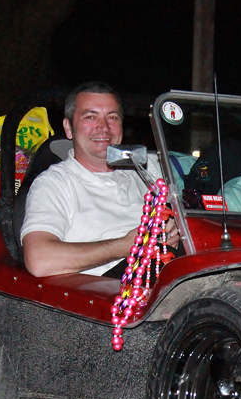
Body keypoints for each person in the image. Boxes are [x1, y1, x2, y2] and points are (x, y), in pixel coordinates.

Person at [21, 82, 179, 278]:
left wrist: (176, 232)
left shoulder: (148, 169)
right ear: (68, 128)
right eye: (90, 117)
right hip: (110, 291)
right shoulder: (55, 184)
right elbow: (39, 260)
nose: (104, 127)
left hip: (172, 271)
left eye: (112, 117)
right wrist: (125, 246)